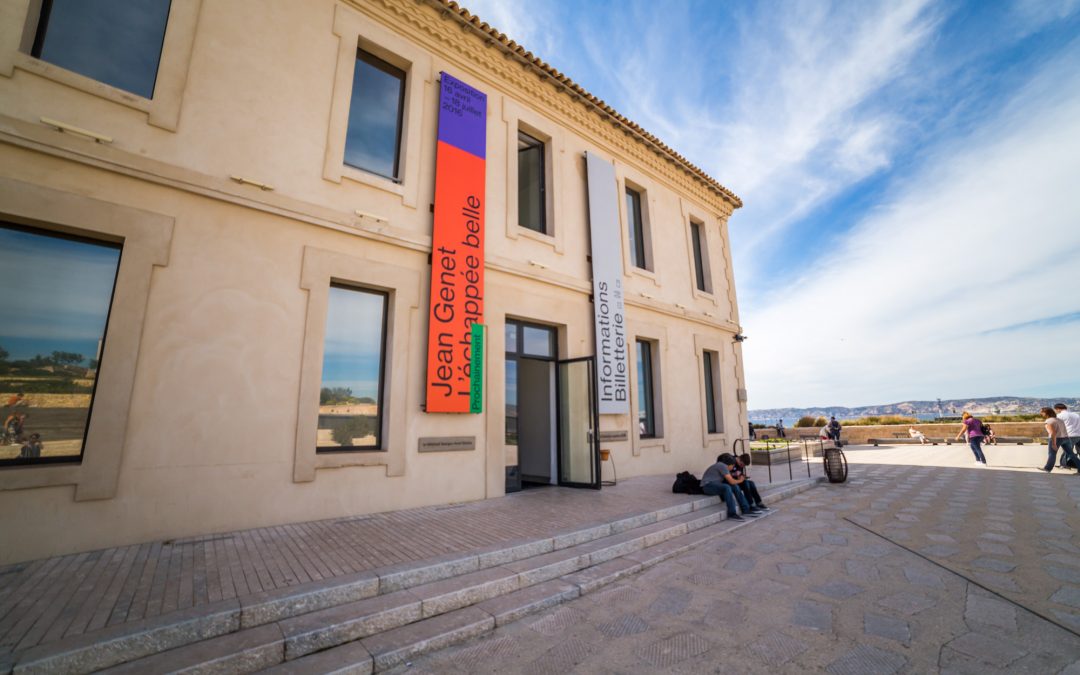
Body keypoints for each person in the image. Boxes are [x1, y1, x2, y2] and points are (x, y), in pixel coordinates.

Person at [701, 453, 762, 521]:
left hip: (716, 484)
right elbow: (732, 481)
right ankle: (732, 514)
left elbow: (732, 482)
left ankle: (746, 509)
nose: (733, 468)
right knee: (727, 487)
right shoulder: (722, 466)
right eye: (733, 466)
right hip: (707, 486)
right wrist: (741, 480)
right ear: (730, 464)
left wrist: (738, 479)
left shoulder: (723, 466)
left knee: (734, 486)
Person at [1041, 407, 1079, 473]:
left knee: (1052, 454)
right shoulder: (1059, 420)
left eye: (1042, 412)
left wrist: (1053, 444)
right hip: (1066, 438)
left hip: (1057, 438)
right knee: (1071, 454)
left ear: (1046, 413)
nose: (1041, 413)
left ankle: (1048, 468)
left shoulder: (1049, 421)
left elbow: (1053, 433)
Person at [1053, 404, 1080, 468]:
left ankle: (1064, 465)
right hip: (1078, 435)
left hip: (1068, 435)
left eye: (1055, 410)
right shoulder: (1076, 415)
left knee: (1067, 451)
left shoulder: (1059, 415)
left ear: (1058, 409)